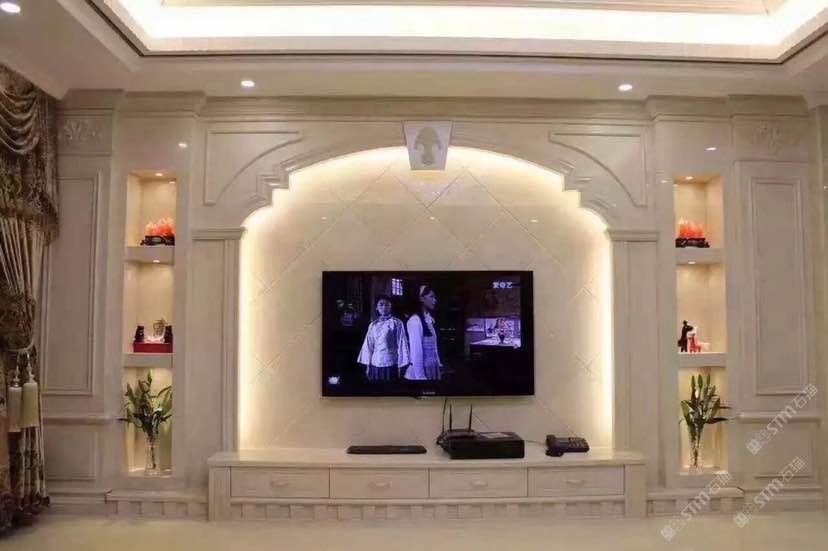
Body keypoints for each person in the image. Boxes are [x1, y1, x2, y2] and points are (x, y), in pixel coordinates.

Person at [357, 295, 410, 381]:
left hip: (391, 363)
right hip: (375, 363)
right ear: (377, 308)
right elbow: (368, 346)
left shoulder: (397, 323)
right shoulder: (373, 325)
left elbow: (402, 343)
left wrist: (401, 365)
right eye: (381, 304)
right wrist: (368, 366)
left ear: (391, 306)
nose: (384, 307)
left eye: (387, 305)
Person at [404, 285, 443, 380]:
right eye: (431, 296)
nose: (435, 300)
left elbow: (434, 347)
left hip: (431, 368)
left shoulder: (429, 319)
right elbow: (416, 353)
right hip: (419, 373)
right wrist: (421, 378)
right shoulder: (415, 321)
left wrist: (438, 363)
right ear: (421, 298)